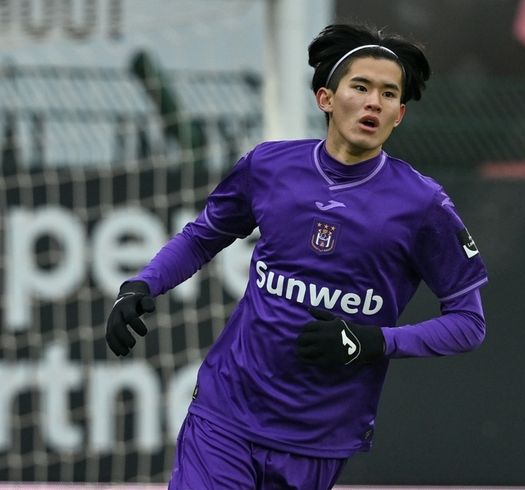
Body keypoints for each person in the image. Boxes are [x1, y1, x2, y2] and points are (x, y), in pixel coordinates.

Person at [106, 23, 488, 490]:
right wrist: (142, 283)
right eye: (361, 87)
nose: (374, 102)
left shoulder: (423, 204)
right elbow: (203, 237)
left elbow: (468, 323)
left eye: (389, 94)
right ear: (326, 98)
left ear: (399, 115)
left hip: (318, 438)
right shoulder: (268, 166)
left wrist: (373, 341)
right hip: (226, 414)